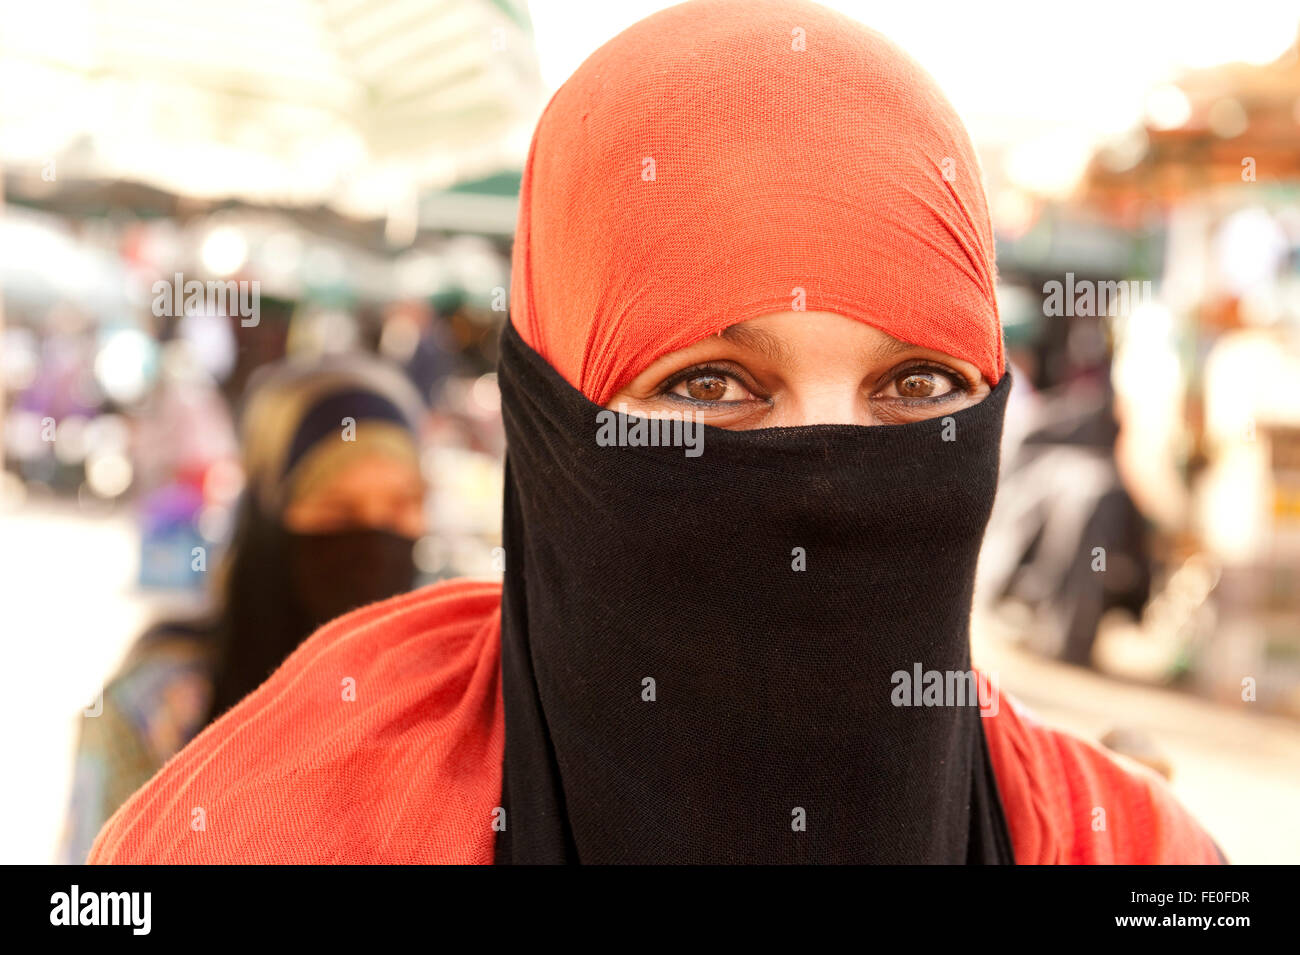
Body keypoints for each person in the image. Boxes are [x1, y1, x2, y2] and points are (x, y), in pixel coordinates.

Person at [88, 0, 1222, 864]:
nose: (826, 475)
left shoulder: (1126, 846)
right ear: (546, 422)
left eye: (918, 385)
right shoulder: (272, 832)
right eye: (709, 385)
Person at [61, 354, 426, 862]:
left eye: (402, 507)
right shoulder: (159, 704)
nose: (373, 540)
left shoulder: (441, 689)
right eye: (337, 509)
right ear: (266, 514)